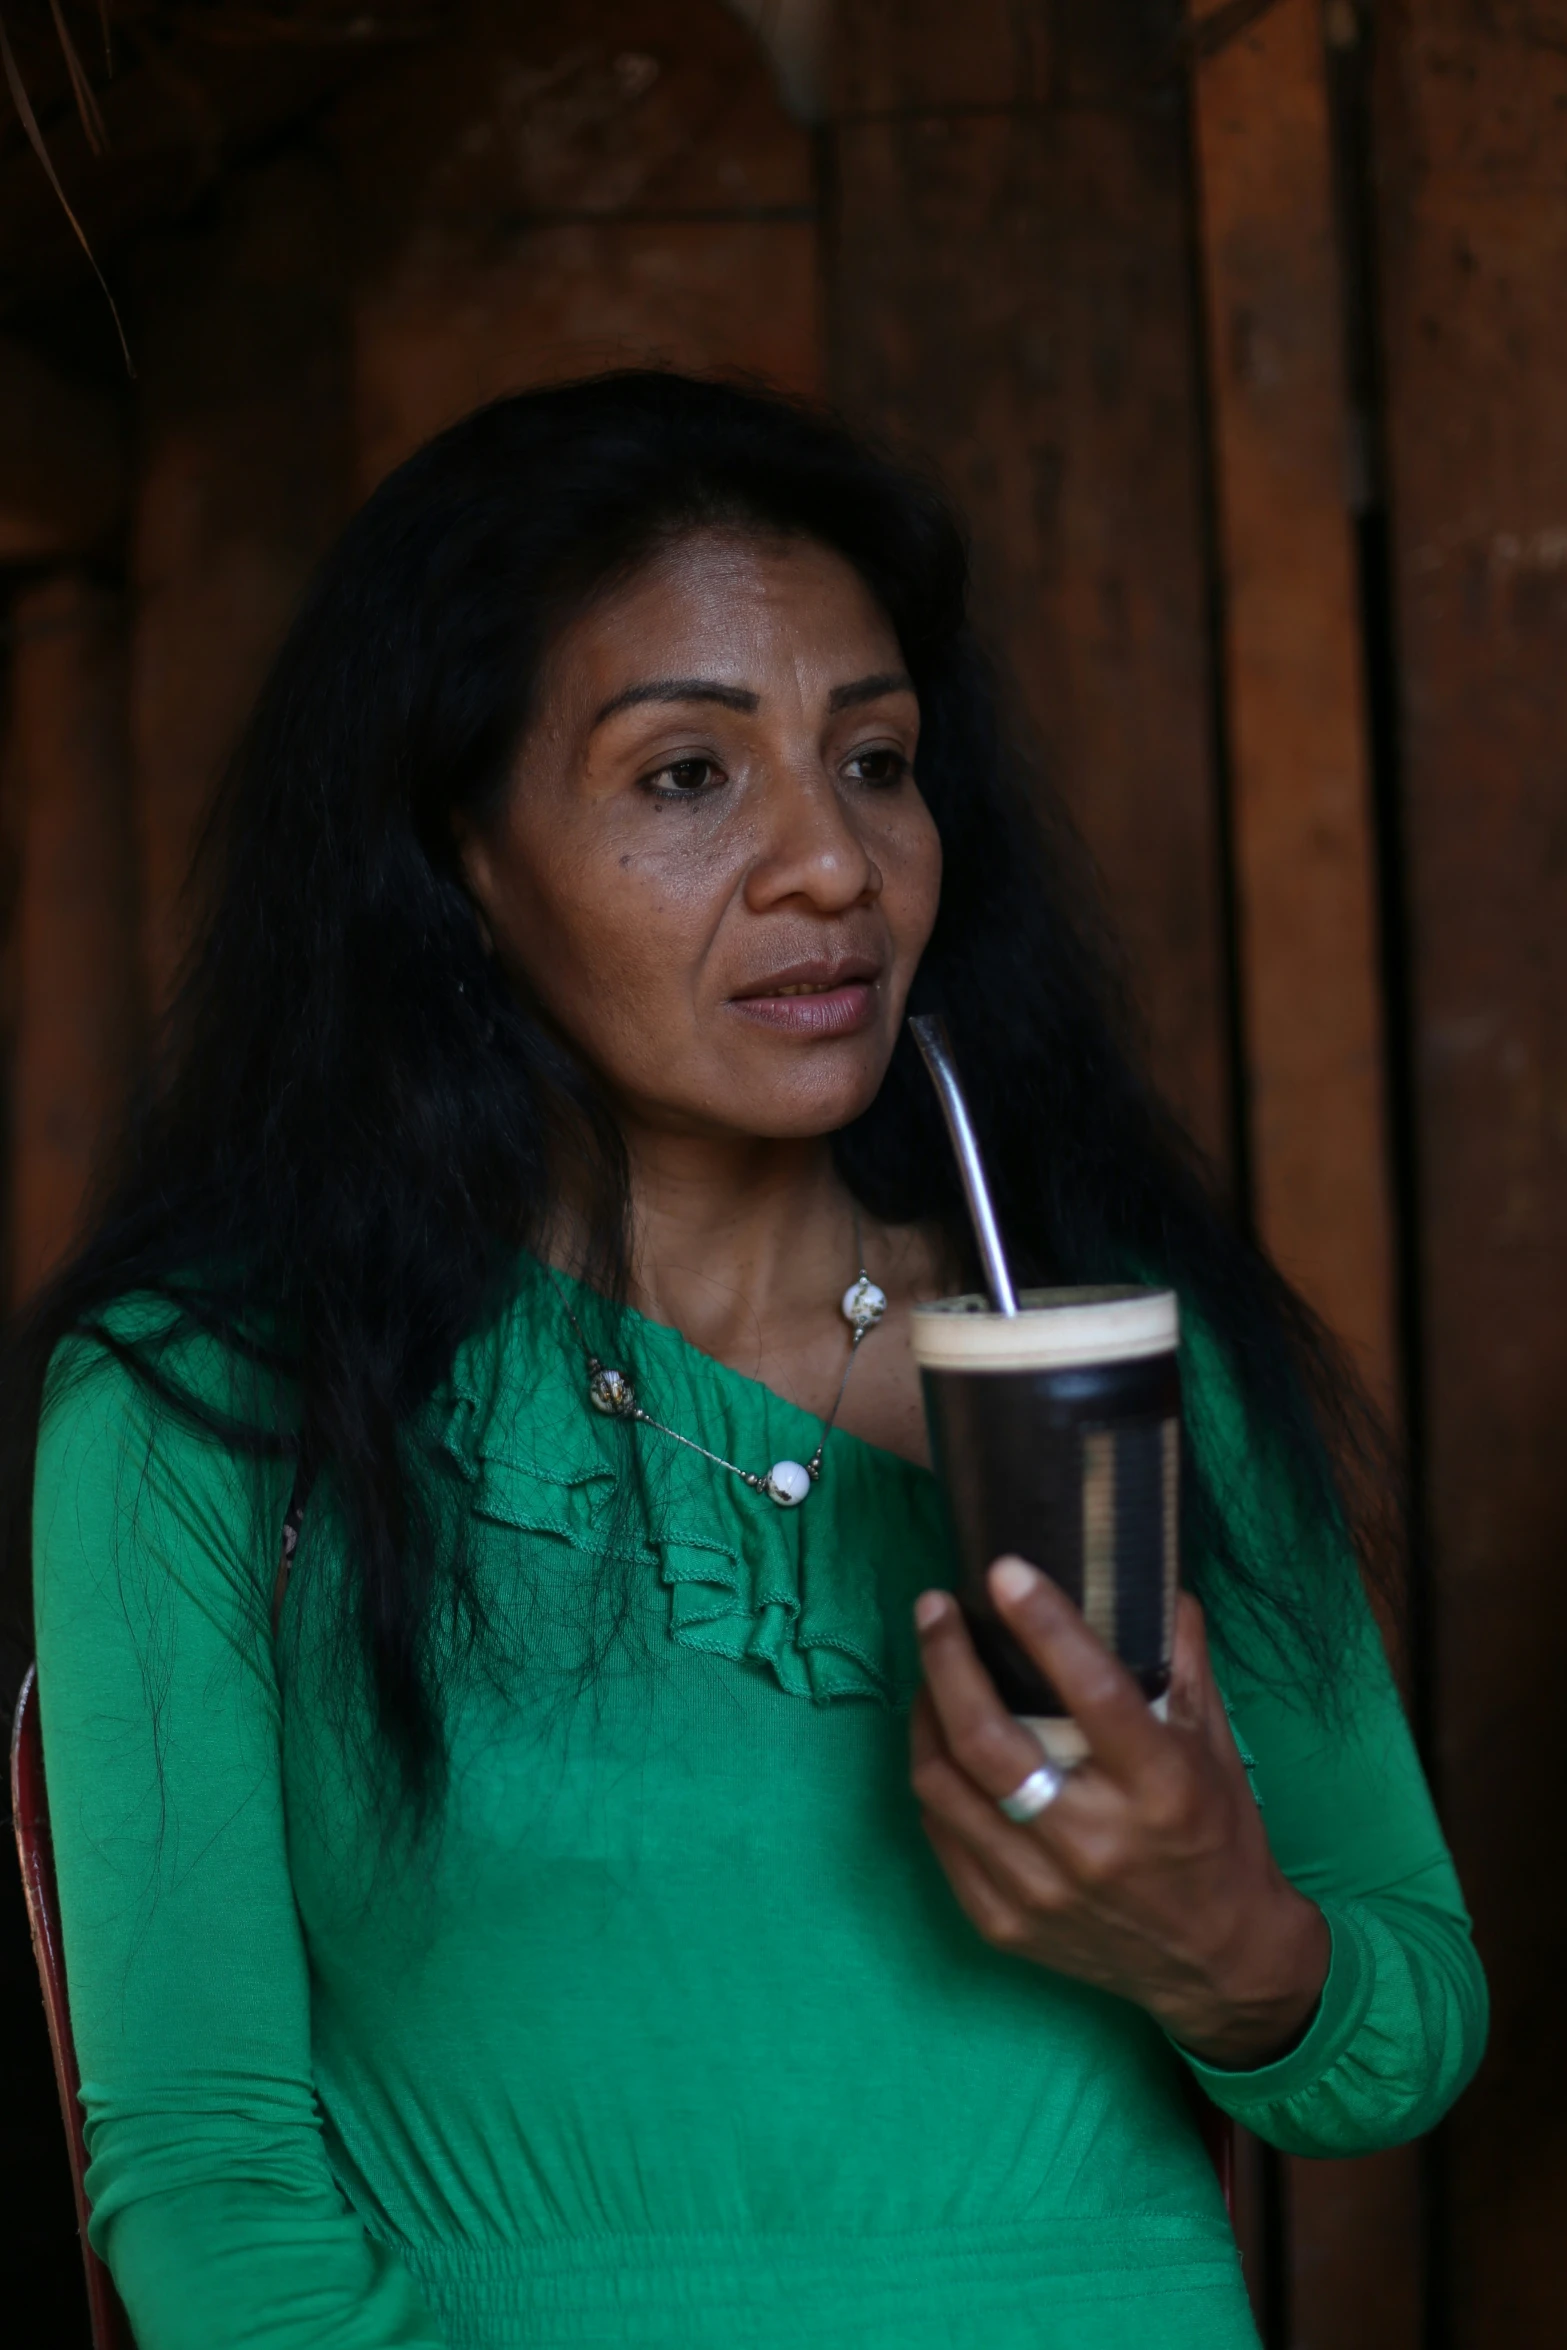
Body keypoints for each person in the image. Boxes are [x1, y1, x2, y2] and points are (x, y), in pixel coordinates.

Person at [10, 373, 1485, 2350]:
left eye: (876, 759)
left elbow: (1396, 2044)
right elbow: (208, 2193)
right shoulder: (212, 1407)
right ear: (456, 852)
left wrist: (1233, 1947)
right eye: (686, 776)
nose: (835, 867)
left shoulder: (1112, 1352)